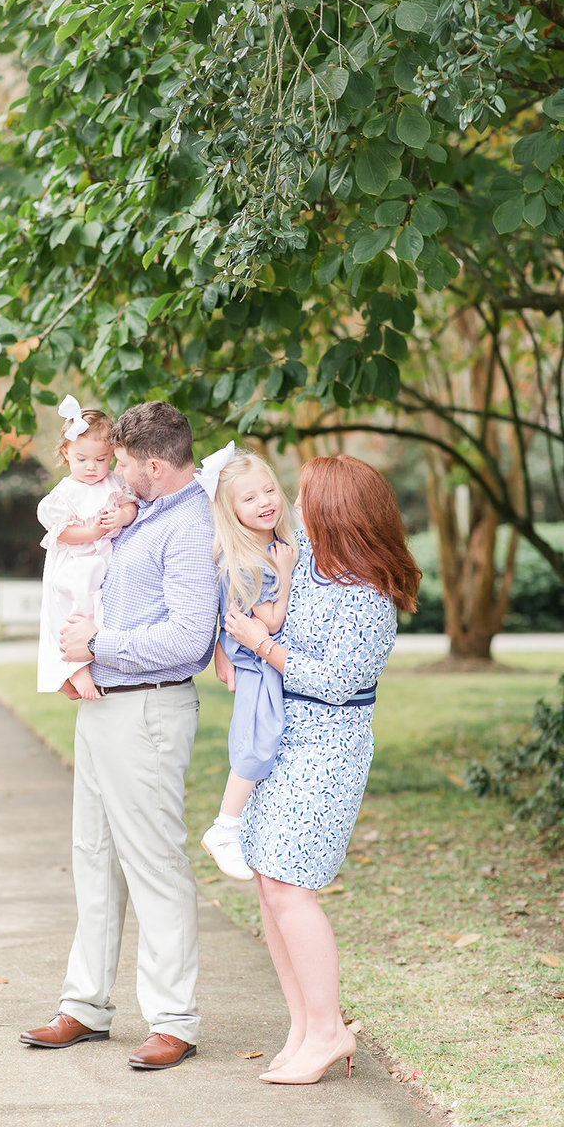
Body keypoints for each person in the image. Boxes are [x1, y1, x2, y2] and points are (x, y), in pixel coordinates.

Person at [20, 401, 219, 1071]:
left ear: (155, 466)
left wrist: (101, 640)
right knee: (94, 857)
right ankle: (85, 1005)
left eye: (126, 464)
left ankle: (174, 1020)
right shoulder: (142, 509)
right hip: (103, 705)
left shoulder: (188, 525)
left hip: (149, 712)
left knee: (154, 864)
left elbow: (191, 637)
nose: (115, 473)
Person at [222, 455, 421, 1086]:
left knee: (290, 888)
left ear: (337, 514)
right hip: (285, 740)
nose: (296, 510)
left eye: (308, 501)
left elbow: (339, 683)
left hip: (327, 749)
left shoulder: (368, 598)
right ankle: (305, 1025)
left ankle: (329, 1029)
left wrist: (262, 646)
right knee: (267, 881)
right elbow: (243, 533)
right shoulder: (307, 560)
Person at [198, 447, 297, 882]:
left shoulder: (259, 548)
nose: (265, 502)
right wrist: (287, 574)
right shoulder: (254, 561)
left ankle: (238, 822)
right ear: (230, 510)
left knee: (264, 737)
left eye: (269, 490)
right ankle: (225, 827)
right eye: (249, 498)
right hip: (256, 664)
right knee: (258, 740)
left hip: (252, 661)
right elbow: (269, 621)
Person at [36, 395, 137, 701]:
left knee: (99, 611)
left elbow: (131, 507)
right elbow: (61, 532)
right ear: (66, 453)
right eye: (82, 460)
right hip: (75, 563)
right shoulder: (65, 493)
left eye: (101, 459)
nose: (92, 468)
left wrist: (121, 516)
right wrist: (92, 532)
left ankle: (90, 664)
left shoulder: (114, 483)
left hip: (104, 561)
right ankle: (76, 671)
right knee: (71, 610)